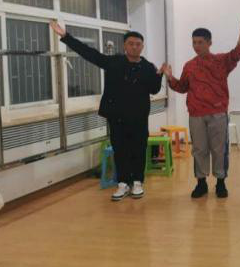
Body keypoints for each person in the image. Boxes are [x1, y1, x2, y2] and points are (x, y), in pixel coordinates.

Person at [50, 21, 163, 201]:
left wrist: (160, 75)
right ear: (124, 46)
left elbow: (154, 89)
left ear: (142, 46)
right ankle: (123, 183)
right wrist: (66, 37)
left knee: (138, 149)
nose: (134, 47)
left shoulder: (148, 67)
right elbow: (90, 54)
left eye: (138, 44)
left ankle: (137, 182)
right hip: (117, 116)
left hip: (139, 116)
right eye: (131, 44)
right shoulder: (114, 62)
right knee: (120, 149)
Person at [161, 12, 240, 199]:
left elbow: (239, 51)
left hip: (218, 113)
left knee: (219, 149)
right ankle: (201, 183)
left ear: (209, 43)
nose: (196, 46)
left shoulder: (221, 61)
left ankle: (220, 182)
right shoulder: (189, 66)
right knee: (199, 149)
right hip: (196, 114)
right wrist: (169, 76)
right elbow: (182, 87)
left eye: (200, 42)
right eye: (194, 42)